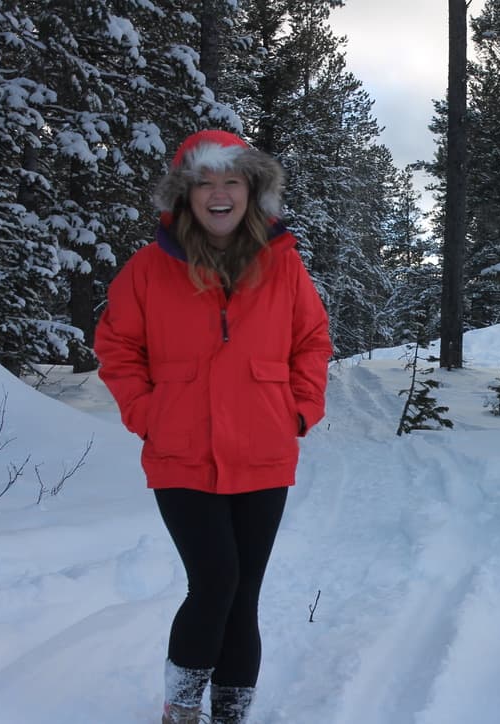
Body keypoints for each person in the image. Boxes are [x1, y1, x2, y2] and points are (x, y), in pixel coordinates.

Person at [94, 129, 332, 724]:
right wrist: (148, 414)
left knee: (243, 593)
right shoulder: (150, 268)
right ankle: (181, 710)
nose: (219, 194)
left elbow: (312, 341)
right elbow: (116, 348)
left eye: (232, 181)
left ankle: (229, 713)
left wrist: (299, 409)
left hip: (263, 449)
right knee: (215, 580)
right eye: (206, 183)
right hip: (181, 453)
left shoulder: (283, 265)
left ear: (252, 192)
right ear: (186, 193)